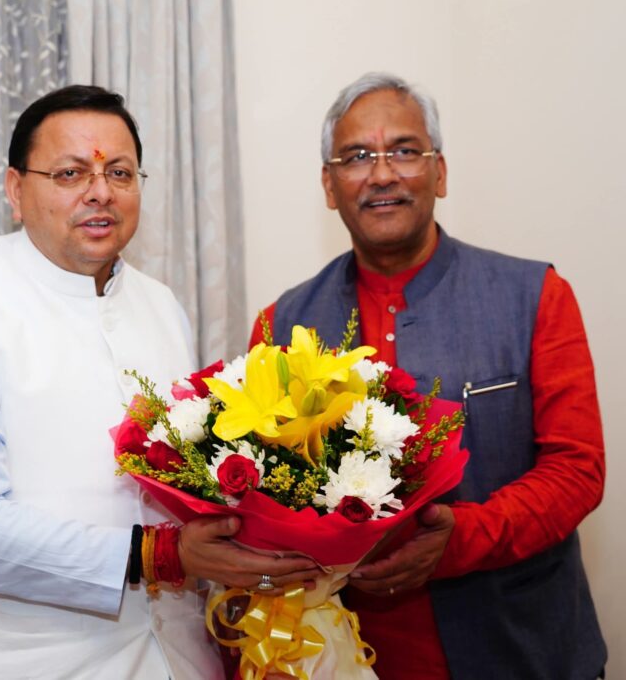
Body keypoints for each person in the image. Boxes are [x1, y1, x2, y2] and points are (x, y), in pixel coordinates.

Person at [0, 85, 321, 680]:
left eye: (119, 172)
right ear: (16, 190)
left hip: (179, 659)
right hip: (30, 666)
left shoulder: (160, 305)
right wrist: (159, 555)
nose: (100, 191)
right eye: (70, 173)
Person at [249, 72, 606, 680]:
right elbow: (266, 493)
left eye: (404, 151)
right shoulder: (282, 323)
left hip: (522, 647)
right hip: (350, 656)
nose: (382, 174)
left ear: (439, 172)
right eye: (356, 157)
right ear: (329, 186)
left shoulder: (535, 295)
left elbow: (577, 469)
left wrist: (460, 538)